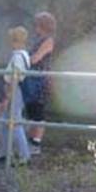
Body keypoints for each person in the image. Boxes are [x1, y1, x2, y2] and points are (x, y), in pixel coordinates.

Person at [0, 26, 32, 165]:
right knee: (6, 122)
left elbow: (15, 79)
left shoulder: (17, 57)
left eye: (11, 40)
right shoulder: (24, 55)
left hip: (15, 91)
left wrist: (6, 98)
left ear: (15, 41)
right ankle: (4, 153)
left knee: (15, 123)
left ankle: (25, 155)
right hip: (16, 91)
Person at [22, 11, 56, 153]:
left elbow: (36, 58)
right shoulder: (37, 39)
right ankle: (29, 141)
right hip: (31, 78)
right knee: (31, 109)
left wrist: (21, 61)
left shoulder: (48, 41)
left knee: (38, 111)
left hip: (40, 79)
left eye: (37, 24)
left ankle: (36, 143)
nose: (35, 27)